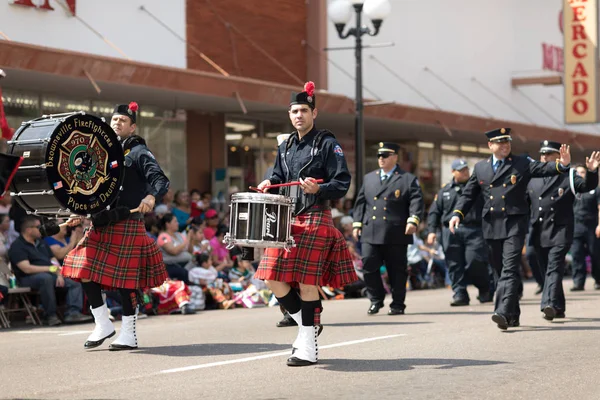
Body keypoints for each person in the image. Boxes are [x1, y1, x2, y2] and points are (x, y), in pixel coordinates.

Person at [255, 81, 356, 367]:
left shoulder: (327, 143)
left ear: (314, 112)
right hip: (287, 217)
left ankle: (308, 348)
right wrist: (269, 183)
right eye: (294, 111)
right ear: (289, 115)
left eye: (303, 110)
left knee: (307, 283)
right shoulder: (285, 145)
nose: (298, 115)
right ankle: (308, 324)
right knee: (271, 275)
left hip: (315, 216)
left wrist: (318, 189)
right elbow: (277, 176)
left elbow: (342, 183)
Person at [61, 101, 170, 350]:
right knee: (83, 270)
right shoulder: (100, 152)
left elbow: (160, 179)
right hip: (101, 223)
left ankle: (129, 334)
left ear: (132, 127)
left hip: (127, 223)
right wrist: (80, 212)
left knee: (126, 283)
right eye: (114, 119)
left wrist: (151, 196)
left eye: (122, 120)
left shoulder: (139, 151)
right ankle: (102, 323)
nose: (117, 123)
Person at [449, 128, 572, 330]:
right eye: (500, 142)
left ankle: (503, 312)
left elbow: (543, 169)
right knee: (499, 270)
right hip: (491, 224)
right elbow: (468, 195)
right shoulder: (480, 168)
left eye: (507, 142)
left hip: (515, 223)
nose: (505, 146)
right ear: (490, 145)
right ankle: (513, 315)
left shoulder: (521, 163)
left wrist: (562, 164)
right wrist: (457, 214)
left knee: (509, 267)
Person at [526, 140, 600, 320]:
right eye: (542, 154)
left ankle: (548, 304)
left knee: (554, 267)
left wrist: (591, 172)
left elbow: (586, 186)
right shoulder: (532, 176)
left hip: (561, 230)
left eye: (549, 154)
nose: (544, 157)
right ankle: (558, 307)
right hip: (538, 229)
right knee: (543, 267)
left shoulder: (568, 174)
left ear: (558, 157)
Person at [352, 142, 424, 316]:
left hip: (396, 232)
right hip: (371, 230)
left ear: (395, 157)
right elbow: (361, 202)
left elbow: (416, 201)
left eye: (385, 156)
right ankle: (376, 299)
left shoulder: (407, 178)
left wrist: (413, 220)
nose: (381, 159)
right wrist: (357, 223)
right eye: (379, 156)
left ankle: (398, 304)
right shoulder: (370, 177)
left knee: (396, 270)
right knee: (368, 264)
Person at [427, 158, 493, 306]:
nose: (465, 172)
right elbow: (434, 213)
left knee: (475, 262)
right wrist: (431, 231)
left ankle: (485, 288)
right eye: (461, 170)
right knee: (454, 264)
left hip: (473, 230)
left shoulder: (477, 188)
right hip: (450, 232)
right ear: (453, 172)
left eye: (466, 169)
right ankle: (460, 294)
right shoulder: (444, 191)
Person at [8, 216, 93, 325]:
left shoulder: (40, 242)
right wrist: (51, 269)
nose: (41, 228)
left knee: (73, 279)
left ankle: (73, 312)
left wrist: (59, 273)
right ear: (28, 229)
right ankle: (50, 315)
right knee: (45, 279)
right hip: (27, 278)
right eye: (38, 227)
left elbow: (52, 259)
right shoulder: (17, 246)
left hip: (50, 274)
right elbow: (26, 268)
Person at [570, 164, 600, 291]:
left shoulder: (595, 189)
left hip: (591, 225)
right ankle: (578, 282)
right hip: (575, 225)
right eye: (578, 173)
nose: (580, 174)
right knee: (576, 254)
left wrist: (599, 225)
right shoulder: (572, 189)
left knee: (595, 254)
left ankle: (598, 279)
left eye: (583, 172)